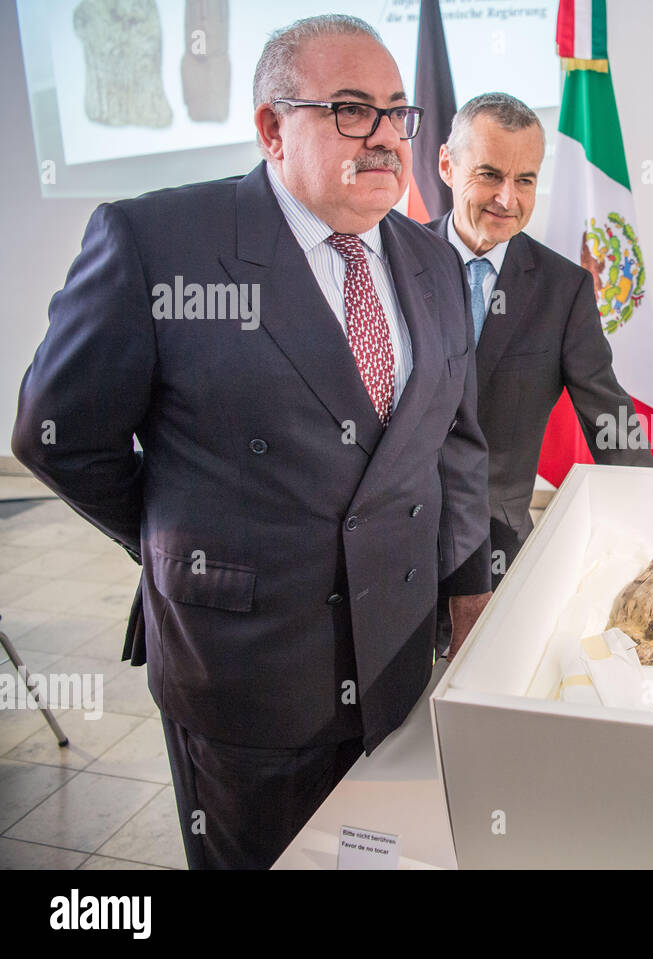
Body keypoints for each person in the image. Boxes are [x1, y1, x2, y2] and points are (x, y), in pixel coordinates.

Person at [10, 14, 492, 869]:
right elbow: (58, 436)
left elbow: (450, 437)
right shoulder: (157, 245)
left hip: (398, 664)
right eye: (350, 109)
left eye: (396, 111)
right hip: (251, 683)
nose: (385, 136)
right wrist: (179, 536)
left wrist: (465, 582)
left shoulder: (432, 259)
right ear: (272, 127)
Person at [428, 93, 653, 603]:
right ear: (447, 164)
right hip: (386, 543)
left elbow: (608, 414)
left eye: (525, 179)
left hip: (494, 547)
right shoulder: (394, 260)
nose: (508, 199)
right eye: (489, 175)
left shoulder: (563, 289)